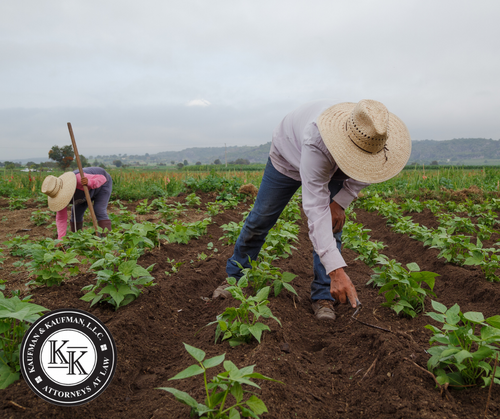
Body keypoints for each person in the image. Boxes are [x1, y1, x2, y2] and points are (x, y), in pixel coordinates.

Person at [213, 99, 411, 320]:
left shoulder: (377, 141)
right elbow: (316, 211)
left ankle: (323, 295)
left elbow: (368, 175)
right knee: (260, 219)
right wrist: (337, 271)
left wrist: (340, 203)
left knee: (333, 225)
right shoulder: (318, 139)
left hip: (335, 167)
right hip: (288, 157)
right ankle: (234, 277)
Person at [41, 167, 113, 240]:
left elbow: (102, 178)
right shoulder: (58, 196)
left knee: (99, 210)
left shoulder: (78, 178)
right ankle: (77, 239)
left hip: (102, 185)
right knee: (76, 213)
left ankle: (107, 240)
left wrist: (89, 182)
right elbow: (61, 218)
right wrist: (60, 239)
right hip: (84, 193)